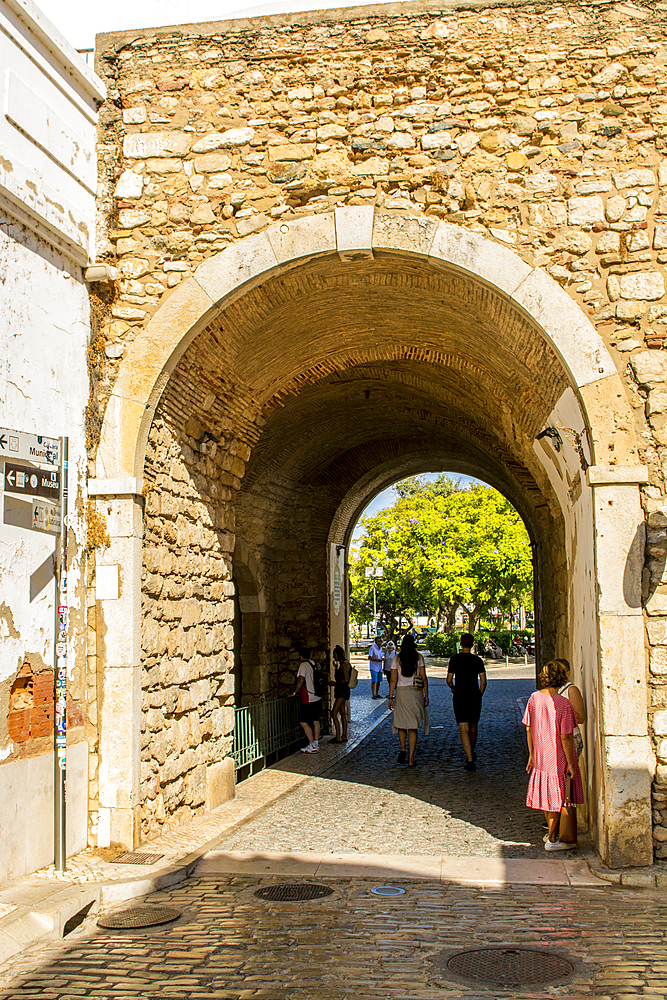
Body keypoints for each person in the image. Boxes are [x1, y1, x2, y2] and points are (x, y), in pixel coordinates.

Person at [522, 659, 584, 851]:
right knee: (558, 795)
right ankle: (552, 838)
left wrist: (532, 753)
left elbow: (528, 728)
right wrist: (571, 762)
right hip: (558, 754)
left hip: (541, 753)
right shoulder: (563, 703)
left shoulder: (533, 698)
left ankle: (551, 833)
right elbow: (566, 736)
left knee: (548, 797)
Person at [388, 633, 429, 767]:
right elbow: (423, 677)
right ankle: (411, 759)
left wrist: (390, 697)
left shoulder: (396, 659)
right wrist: (426, 695)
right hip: (415, 692)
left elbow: (393, 679)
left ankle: (403, 748)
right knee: (413, 726)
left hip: (401, 692)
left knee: (401, 723)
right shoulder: (419, 658)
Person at [447, 633, 486, 770]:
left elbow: (448, 679)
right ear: (472, 644)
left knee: (463, 727)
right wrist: (479, 694)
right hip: (474, 694)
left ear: (461, 643)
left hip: (460, 695)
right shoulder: (477, 661)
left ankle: (469, 758)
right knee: (473, 725)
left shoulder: (454, 659)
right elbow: (483, 681)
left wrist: (453, 688)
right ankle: (472, 750)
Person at [293, 647, 322, 753]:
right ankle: (316, 742)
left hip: (308, 697)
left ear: (301, 656)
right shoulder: (313, 663)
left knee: (303, 721)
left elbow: (301, 679)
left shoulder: (303, 665)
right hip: (317, 696)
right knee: (316, 720)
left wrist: (295, 692)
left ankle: (311, 743)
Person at [556, 657, 586, 758]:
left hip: (570, 737)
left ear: (567, 673)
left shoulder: (571, 690)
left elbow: (581, 717)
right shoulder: (551, 691)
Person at [329, 644, 351, 743]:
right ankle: (344, 735)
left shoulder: (344, 664)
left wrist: (335, 683)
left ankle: (338, 736)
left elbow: (346, 679)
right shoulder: (342, 664)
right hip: (341, 690)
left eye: (334, 654)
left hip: (342, 691)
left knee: (334, 713)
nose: (334, 656)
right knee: (342, 713)